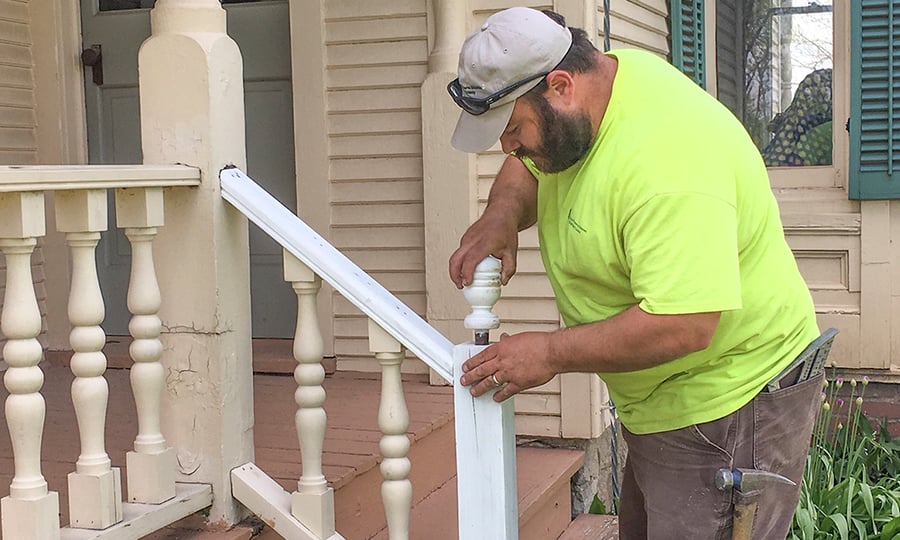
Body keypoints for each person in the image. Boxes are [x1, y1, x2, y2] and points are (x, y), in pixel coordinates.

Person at [446, 7, 826, 540]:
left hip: (729, 404)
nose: (508, 147)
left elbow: (684, 323)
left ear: (560, 86)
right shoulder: (593, 90)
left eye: (512, 128)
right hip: (662, 399)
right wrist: (501, 216)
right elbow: (527, 163)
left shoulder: (669, 160)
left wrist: (550, 353)